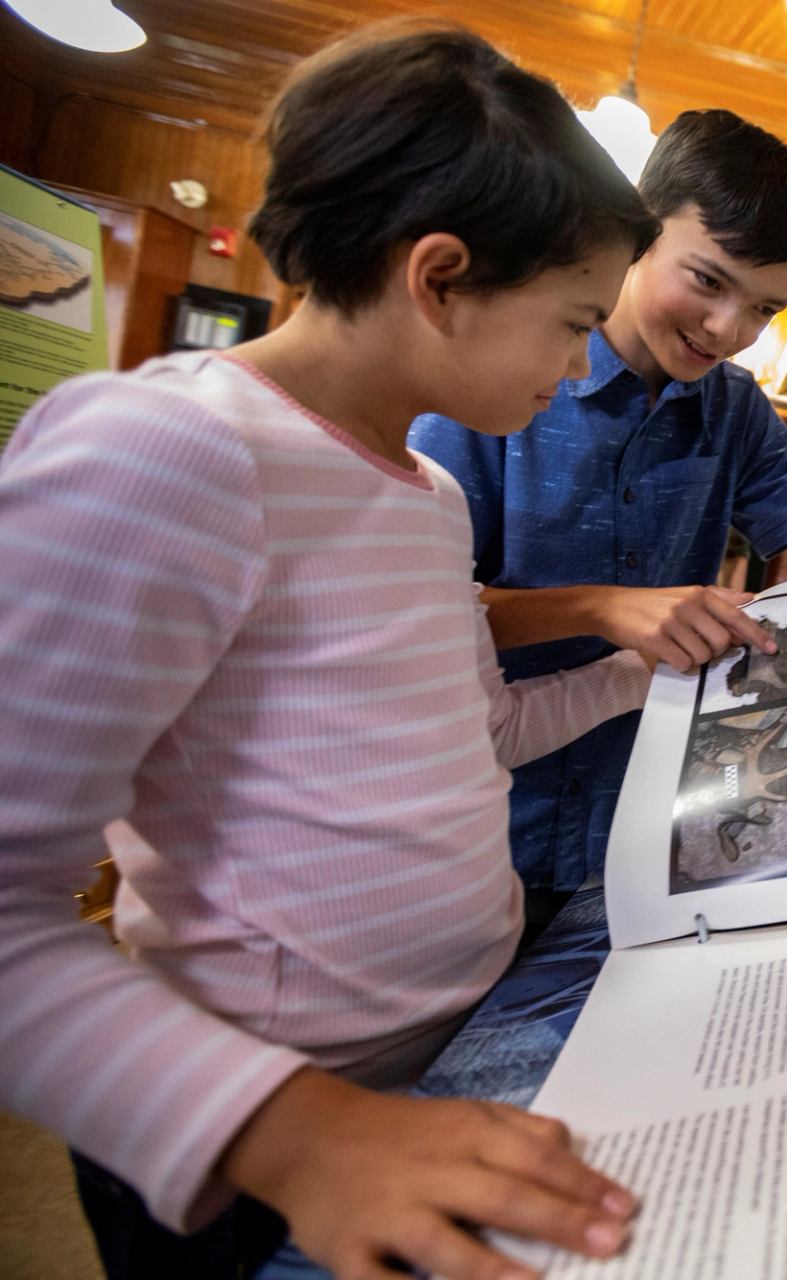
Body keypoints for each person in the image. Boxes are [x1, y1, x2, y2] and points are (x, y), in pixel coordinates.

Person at [0, 25, 664, 1280]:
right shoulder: (170, 452)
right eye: (572, 322)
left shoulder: (425, 495)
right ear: (442, 277)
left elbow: (481, 734)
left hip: (443, 1067)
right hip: (263, 1132)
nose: (577, 366)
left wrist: (646, 674)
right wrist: (297, 1135)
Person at [409, 108, 787, 927]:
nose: (728, 331)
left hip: (635, 824)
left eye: (765, 311)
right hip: (474, 820)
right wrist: (610, 608)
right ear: (638, 232)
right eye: (707, 281)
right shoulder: (500, 374)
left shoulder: (734, 408)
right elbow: (418, 620)